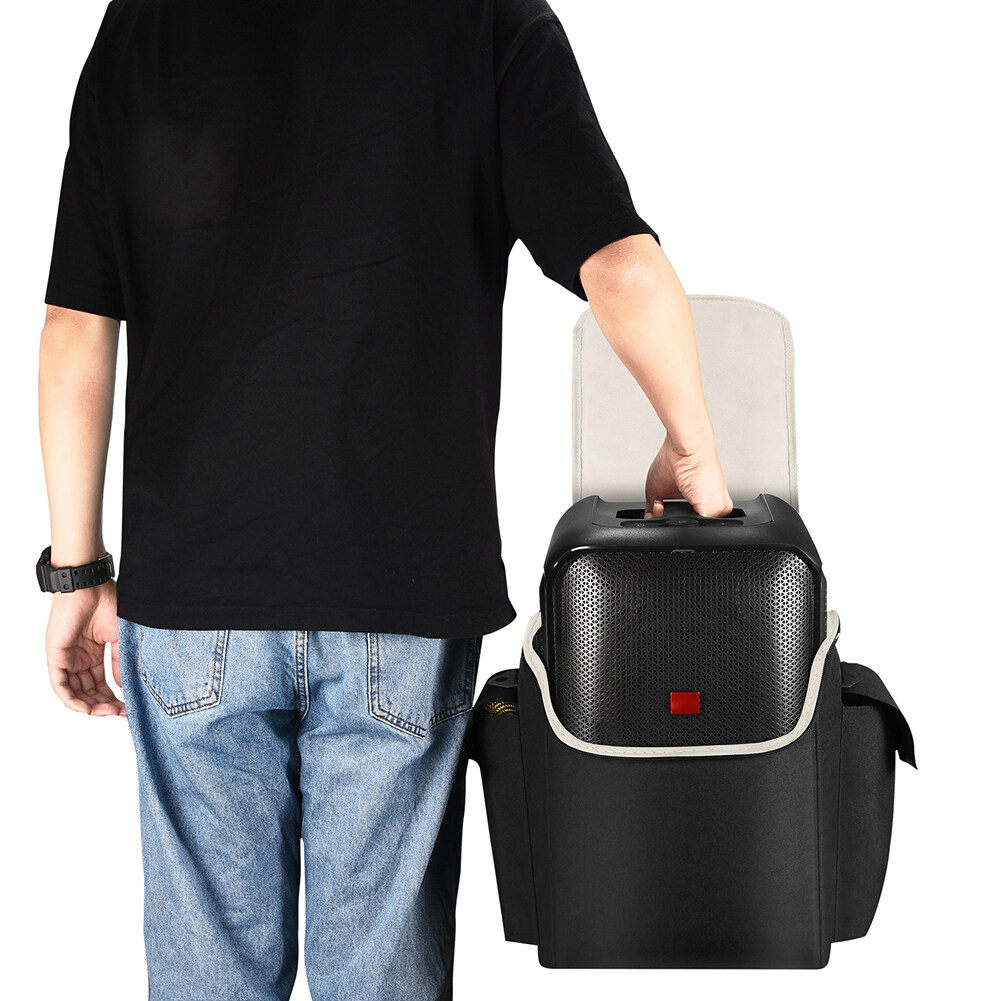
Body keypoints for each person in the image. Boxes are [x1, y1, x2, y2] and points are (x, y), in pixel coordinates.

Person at [37, 1, 731, 998]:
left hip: (193, 597)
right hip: (400, 597)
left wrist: (76, 569)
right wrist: (691, 447)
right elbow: (617, 261)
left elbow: (74, 322)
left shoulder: (146, 22)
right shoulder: (487, 20)